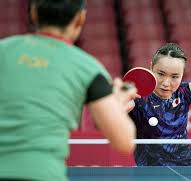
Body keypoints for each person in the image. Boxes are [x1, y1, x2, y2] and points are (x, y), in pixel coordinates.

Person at [0, 0, 138, 181]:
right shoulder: (89, 69)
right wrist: (117, 103)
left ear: (33, 14)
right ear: (80, 19)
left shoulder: (3, 49)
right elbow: (124, 142)